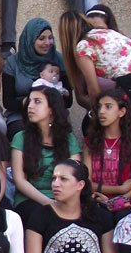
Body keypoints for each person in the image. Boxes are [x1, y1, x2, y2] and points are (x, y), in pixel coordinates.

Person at [56, 10, 131, 124]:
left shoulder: (83, 46)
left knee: (120, 127)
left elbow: (94, 90)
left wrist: (99, 113)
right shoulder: (108, 33)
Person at [10, 86, 82, 223]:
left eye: (37, 101)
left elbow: (77, 174)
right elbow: (20, 181)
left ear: (51, 109)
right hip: (30, 199)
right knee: (42, 216)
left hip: (64, 197)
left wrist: (62, 202)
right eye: (29, 101)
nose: (30, 106)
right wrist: (49, 203)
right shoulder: (20, 138)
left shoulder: (68, 139)